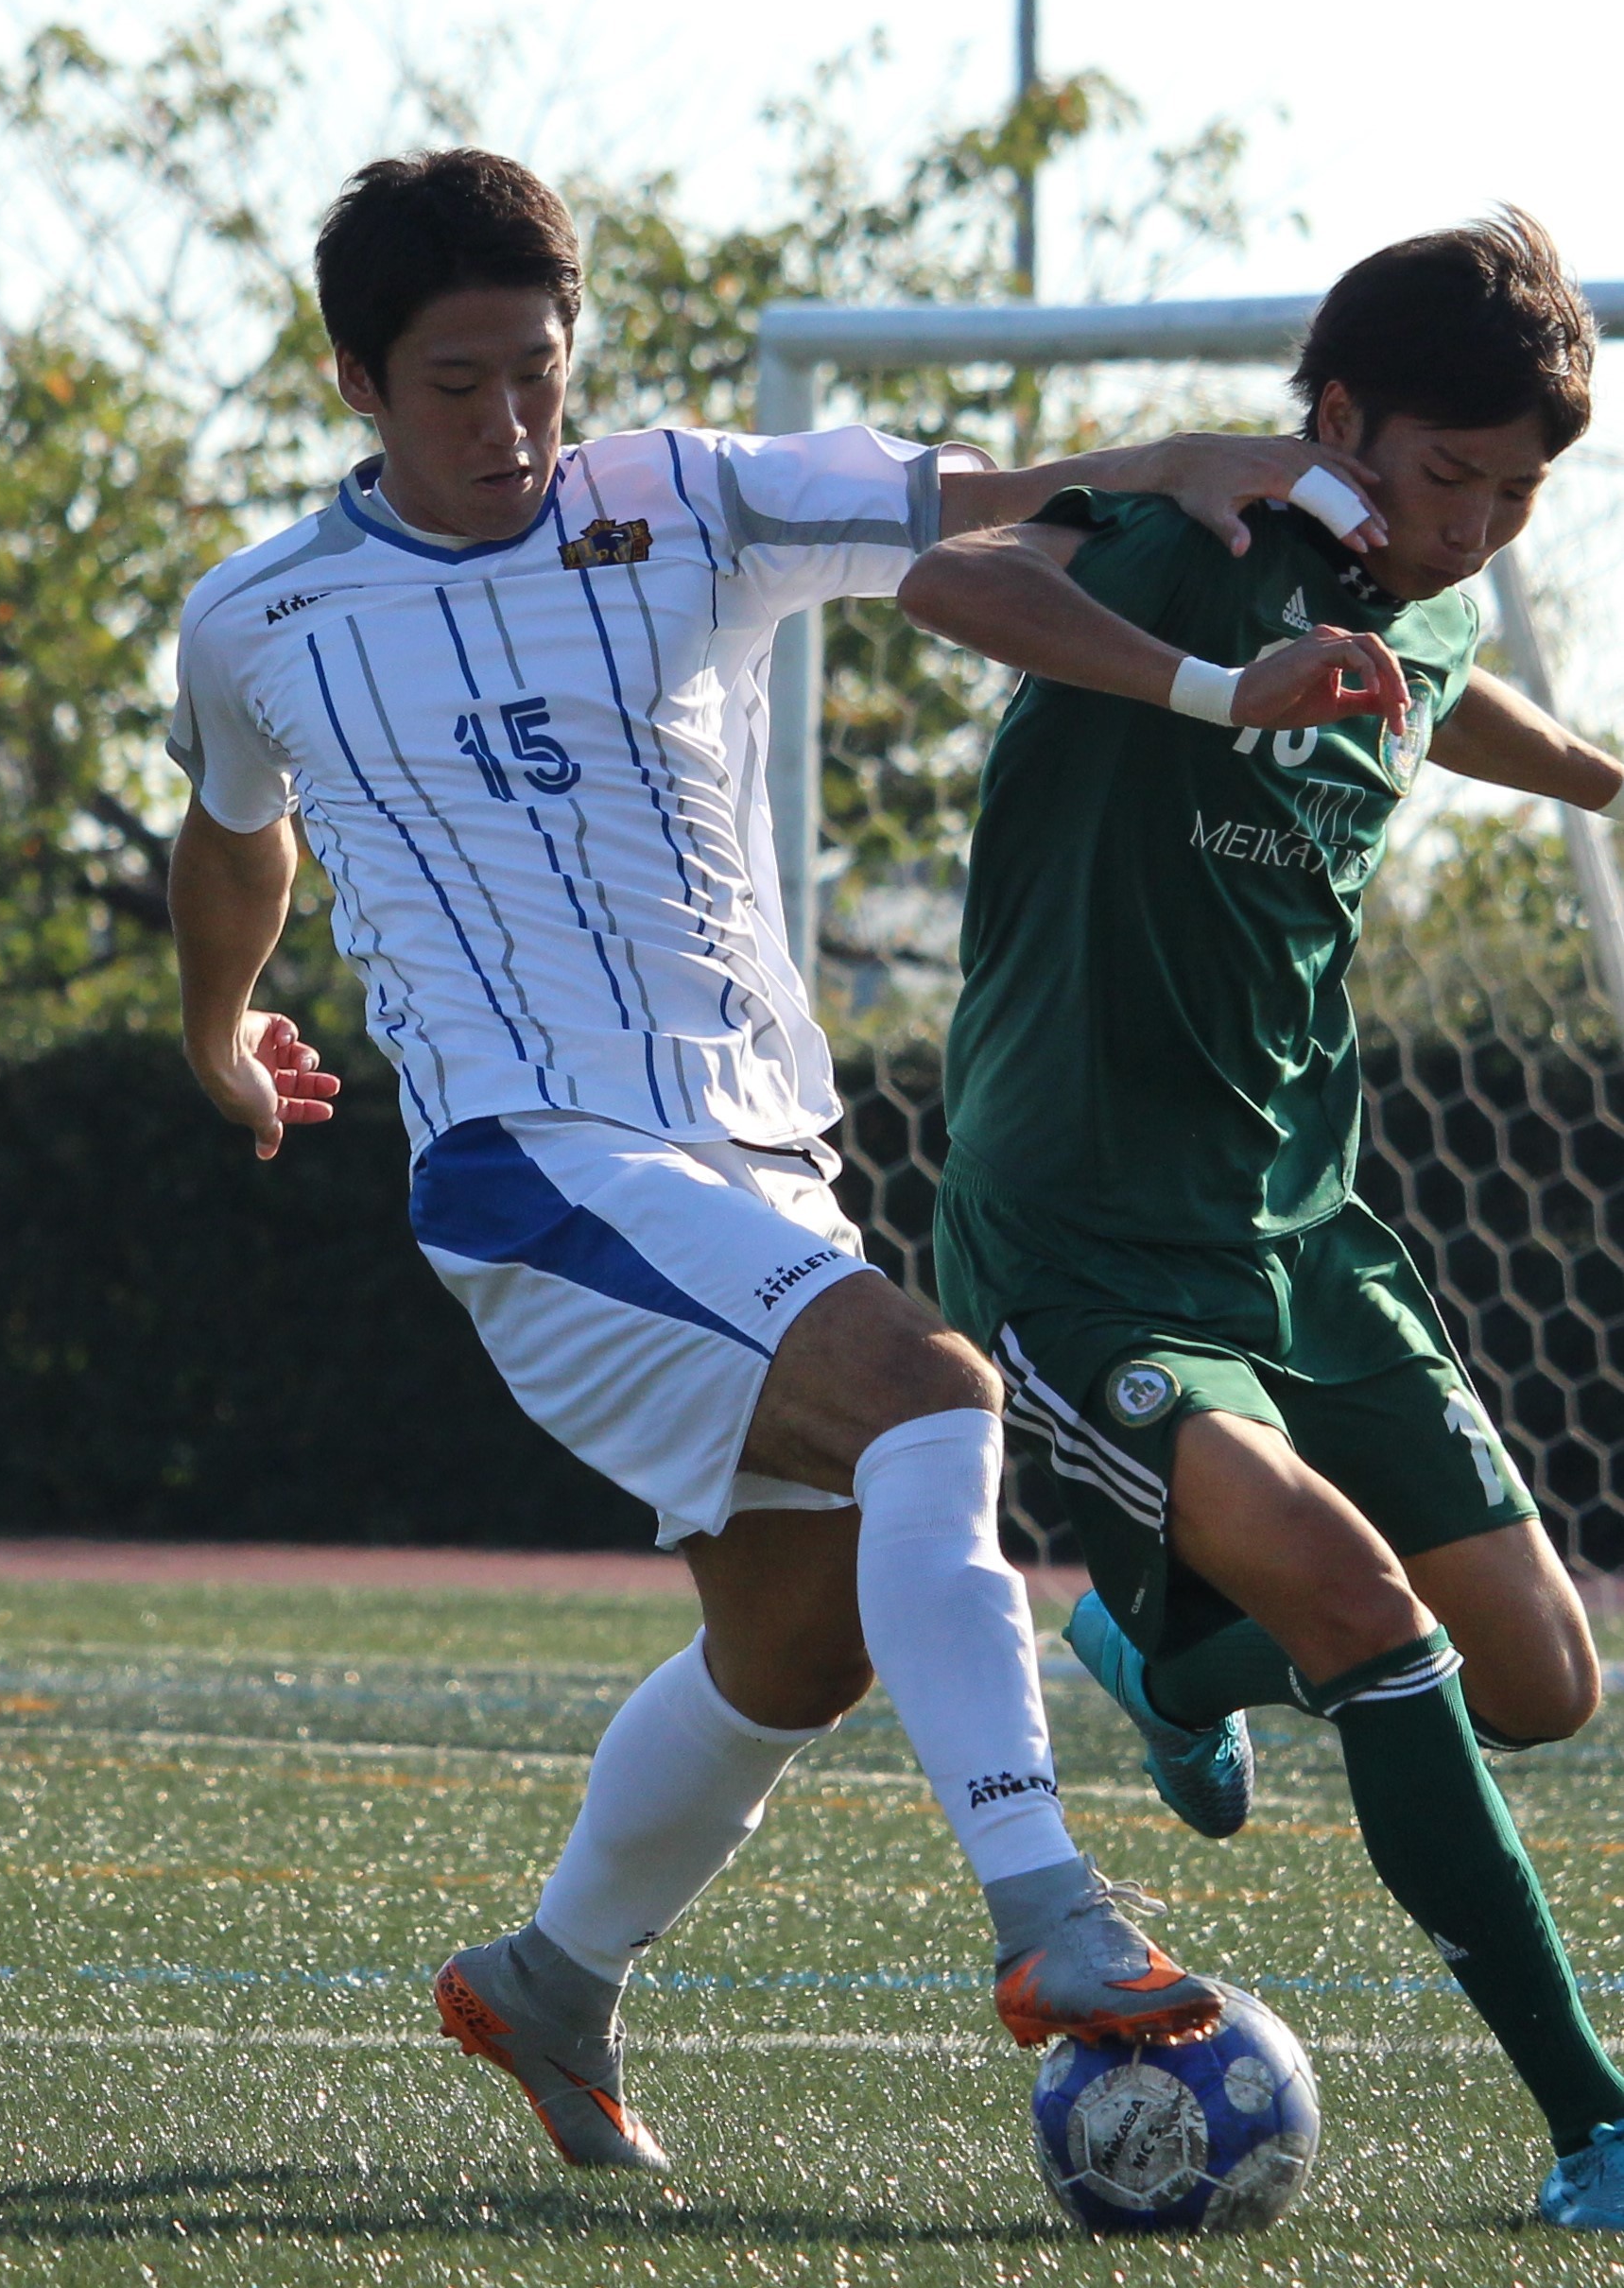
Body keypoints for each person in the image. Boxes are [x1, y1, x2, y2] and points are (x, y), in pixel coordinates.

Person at [164, 145, 1401, 2175]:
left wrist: (1190, 519)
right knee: (936, 1388)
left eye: (539, 372)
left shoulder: (681, 494)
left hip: (755, 1162)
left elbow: (967, 520)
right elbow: (237, 834)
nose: (511, 422)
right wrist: (221, 1035)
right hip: (532, 1167)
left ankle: (550, 1978)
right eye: (458, 382)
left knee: (801, 1634)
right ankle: (1051, 1915)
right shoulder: (263, 611)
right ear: (355, 384)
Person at [908, 209, 1624, 2230]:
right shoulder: (1204, 538)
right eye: (1443, 475)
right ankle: (1596, 2114)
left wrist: (1600, 776)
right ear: (1338, 421)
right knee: (1366, 1615)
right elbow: (951, 578)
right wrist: (1218, 685)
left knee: (1549, 1680)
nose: (1477, 525)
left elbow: (1448, 683)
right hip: (1080, 1237)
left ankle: (1163, 1652)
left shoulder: (1432, 592)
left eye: (1520, 490)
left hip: (1309, 1233)